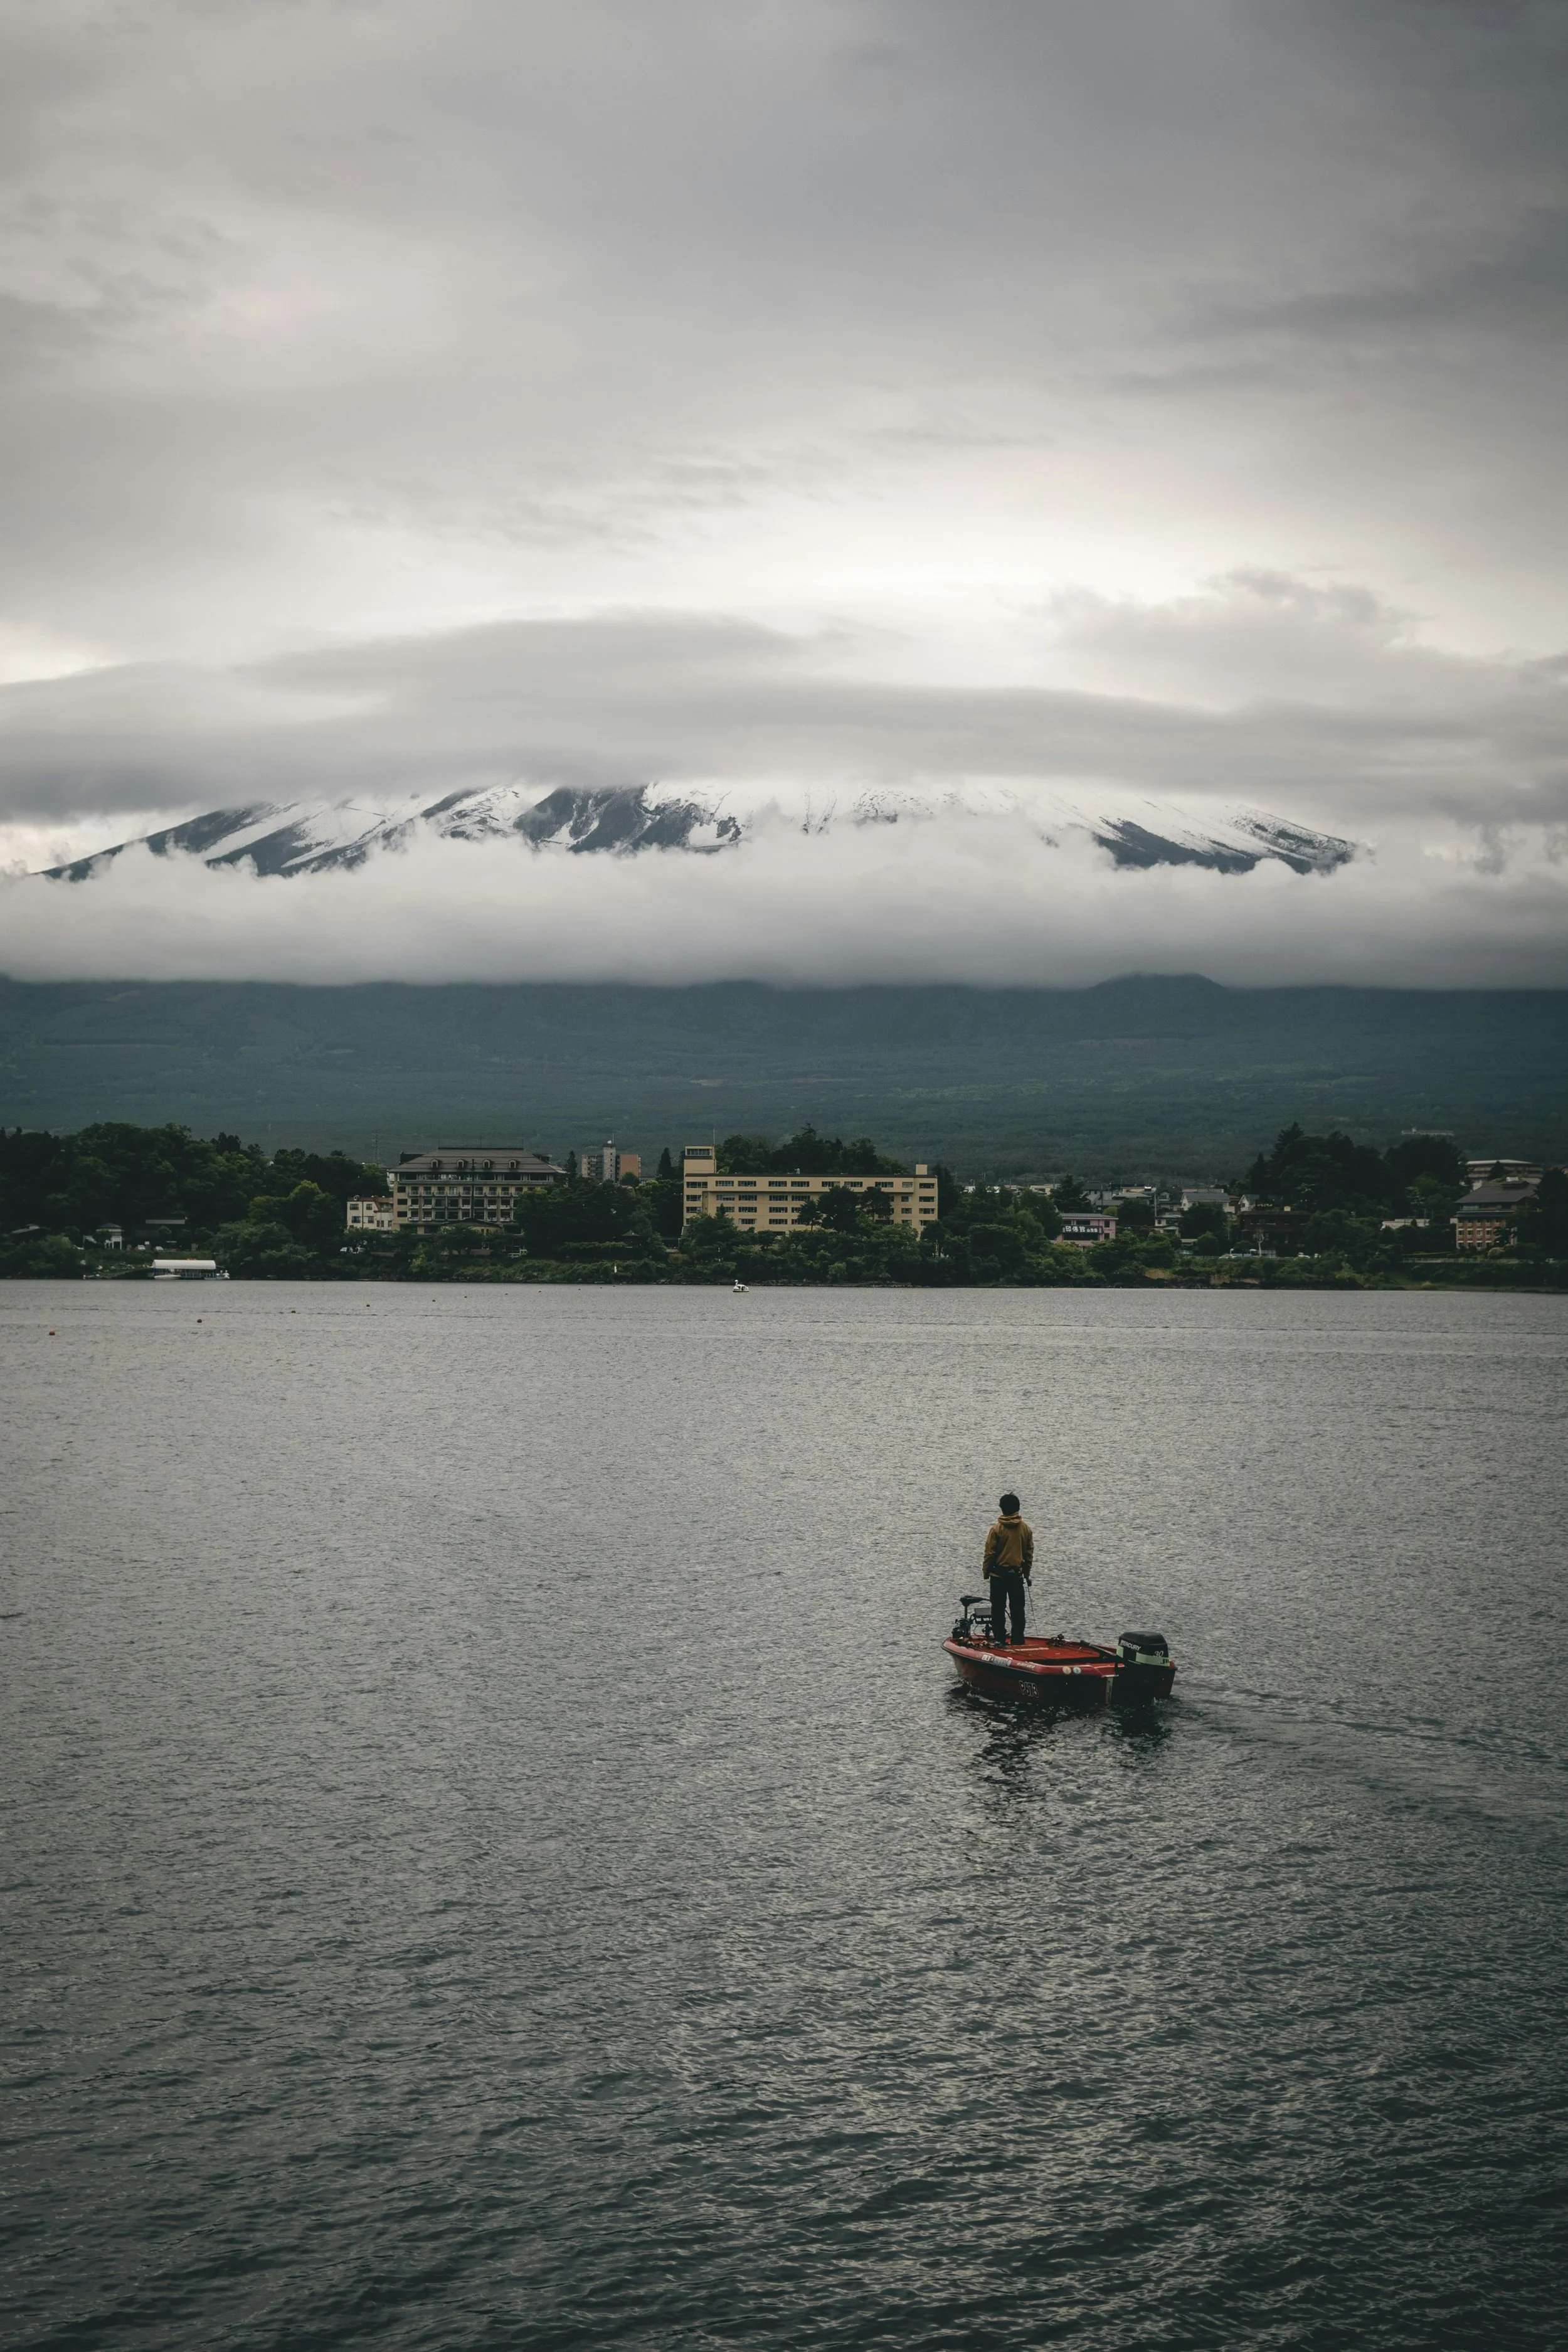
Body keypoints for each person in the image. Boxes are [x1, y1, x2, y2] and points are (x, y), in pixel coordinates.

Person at [983, 1491, 1033, 1643]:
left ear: (1002, 1509)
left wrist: (986, 1572)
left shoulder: (997, 1529)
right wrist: (1026, 1573)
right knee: (1018, 1610)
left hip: (998, 1576)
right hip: (1016, 1576)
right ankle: (1018, 1639)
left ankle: (1000, 1639)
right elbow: (1029, 1553)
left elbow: (989, 1553)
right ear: (1017, 1509)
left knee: (998, 1610)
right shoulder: (1026, 1529)